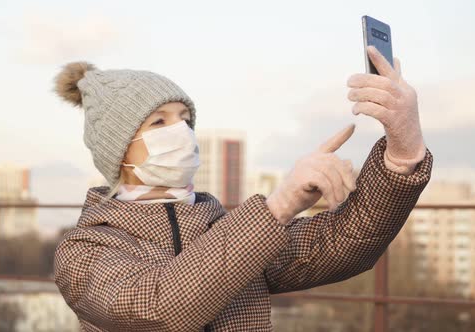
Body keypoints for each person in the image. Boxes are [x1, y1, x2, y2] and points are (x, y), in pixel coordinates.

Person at [52, 45, 433, 331]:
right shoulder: (84, 251)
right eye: (159, 123)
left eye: (186, 119)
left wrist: (403, 152)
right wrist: (279, 206)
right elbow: (158, 307)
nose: (181, 132)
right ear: (118, 151)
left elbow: (344, 243)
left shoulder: (225, 229)